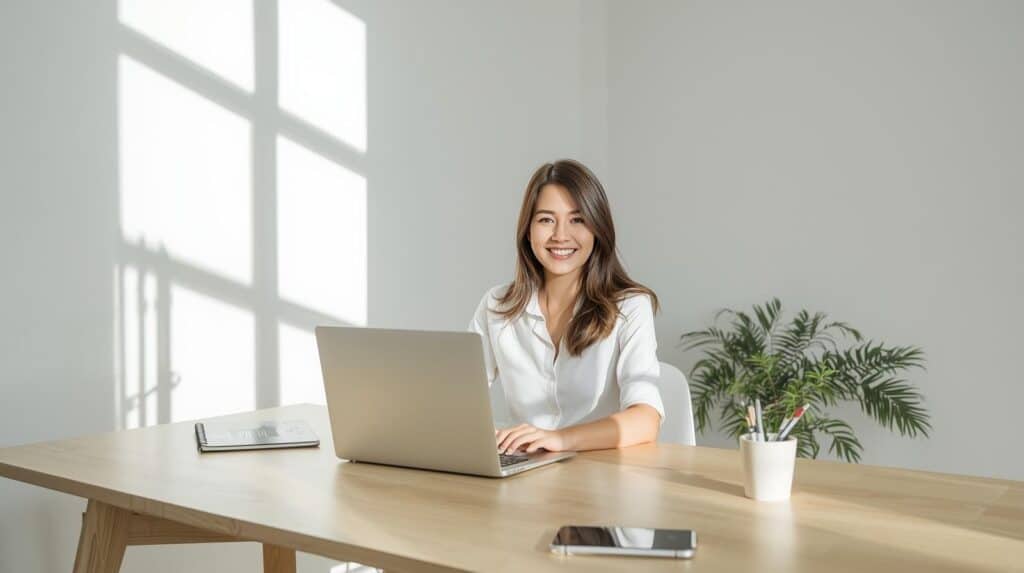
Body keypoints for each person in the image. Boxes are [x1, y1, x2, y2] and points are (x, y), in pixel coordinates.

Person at [469, 159, 664, 455]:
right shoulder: (497, 306)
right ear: (528, 229)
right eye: (546, 219)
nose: (561, 235)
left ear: (597, 229)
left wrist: (558, 439)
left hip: (603, 478)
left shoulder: (630, 306)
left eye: (577, 220)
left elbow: (646, 420)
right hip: (525, 476)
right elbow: (458, 400)